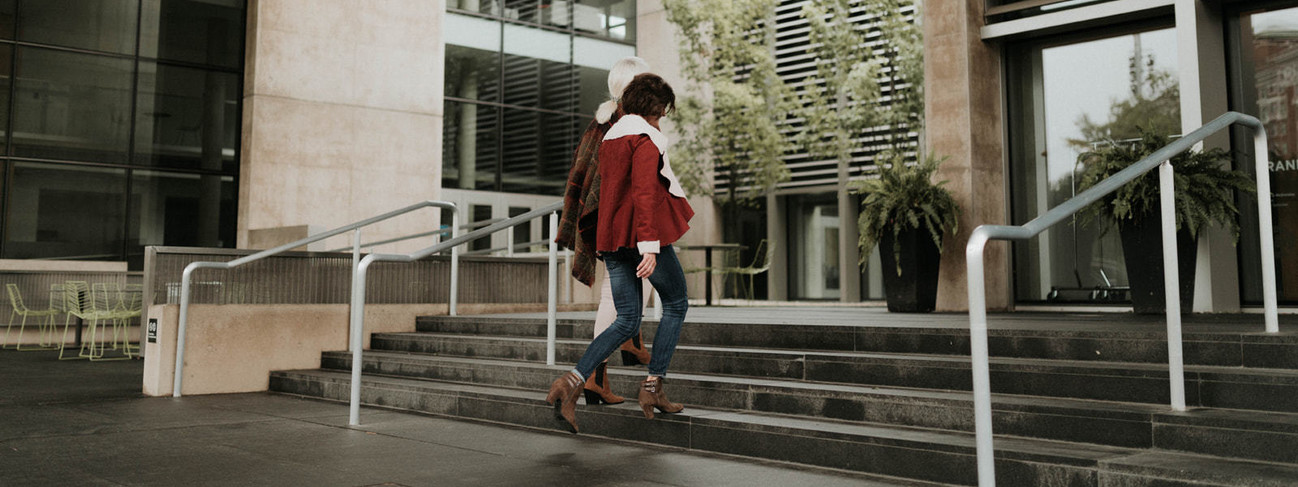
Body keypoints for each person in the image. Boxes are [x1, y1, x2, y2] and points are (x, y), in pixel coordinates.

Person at [547, 73, 693, 433]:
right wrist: (650, 247)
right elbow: (644, 194)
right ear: (652, 108)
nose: (662, 119)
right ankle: (652, 386)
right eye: (660, 112)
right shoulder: (644, 137)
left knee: (626, 319)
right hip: (642, 238)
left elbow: (609, 194)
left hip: (611, 240)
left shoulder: (610, 137)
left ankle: (571, 383)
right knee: (676, 304)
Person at [554, 57, 654, 407]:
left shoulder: (603, 123)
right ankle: (608, 362)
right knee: (622, 295)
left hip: (608, 221)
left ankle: (606, 368)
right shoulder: (627, 125)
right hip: (618, 224)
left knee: (618, 295)